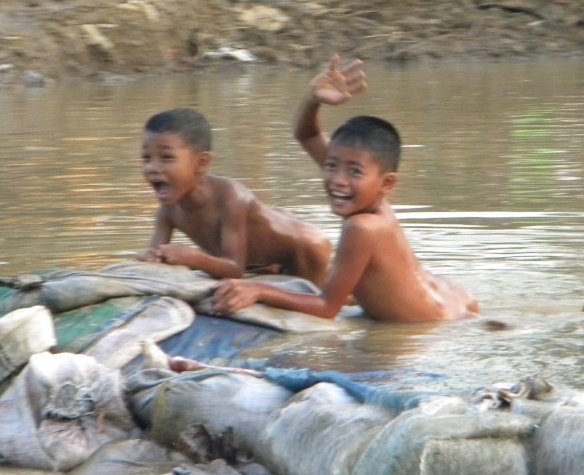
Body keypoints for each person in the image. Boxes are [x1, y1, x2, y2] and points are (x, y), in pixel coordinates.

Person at [213, 57, 479, 323]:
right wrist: (313, 98)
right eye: (331, 166)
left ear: (387, 184)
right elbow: (307, 135)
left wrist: (259, 289)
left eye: (354, 171)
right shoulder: (370, 197)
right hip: (453, 298)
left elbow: (327, 307)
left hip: (438, 321)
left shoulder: (362, 227)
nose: (338, 180)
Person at [137, 108, 330, 285]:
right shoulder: (168, 212)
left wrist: (192, 257)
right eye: (147, 158)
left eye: (166, 158)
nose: (152, 168)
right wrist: (149, 259)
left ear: (202, 163)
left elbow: (234, 269)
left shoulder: (230, 197)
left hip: (307, 248)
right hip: (260, 261)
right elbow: (155, 260)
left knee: (314, 305)